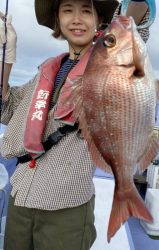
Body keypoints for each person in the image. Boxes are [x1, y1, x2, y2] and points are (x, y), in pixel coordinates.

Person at [0, 0, 150, 249]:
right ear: (58, 20)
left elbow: (137, 22)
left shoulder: (113, 59)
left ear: (100, 21)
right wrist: (6, 58)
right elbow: (6, 108)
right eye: (68, 10)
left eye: (87, 10)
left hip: (66, 207)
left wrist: (125, 25)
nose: (77, 18)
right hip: (21, 197)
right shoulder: (46, 70)